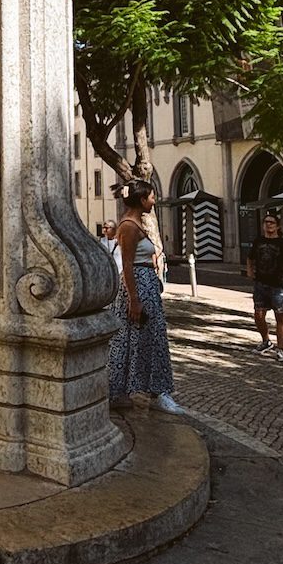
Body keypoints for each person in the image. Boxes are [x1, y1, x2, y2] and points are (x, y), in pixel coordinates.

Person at [107, 177, 185, 413]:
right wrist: (134, 300)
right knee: (139, 339)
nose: (154, 201)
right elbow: (127, 265)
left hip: (146, 285)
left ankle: (140, 391)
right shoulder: (129, 227)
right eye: (151, 196)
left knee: (145, 338)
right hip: (139, 286)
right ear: (141, 199)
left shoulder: (136, 223)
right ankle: (151, 392)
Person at [247, 212, 283, 363]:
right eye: (266, 222)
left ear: (277, 226)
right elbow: (250, 257)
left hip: (279, 285)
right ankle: (266, 341)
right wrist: (250, 271)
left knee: (280, 316)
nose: (268, 225)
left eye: (271, 222)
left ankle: (280, 349)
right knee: (258, 315)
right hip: (261, 284)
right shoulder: (258, 241)